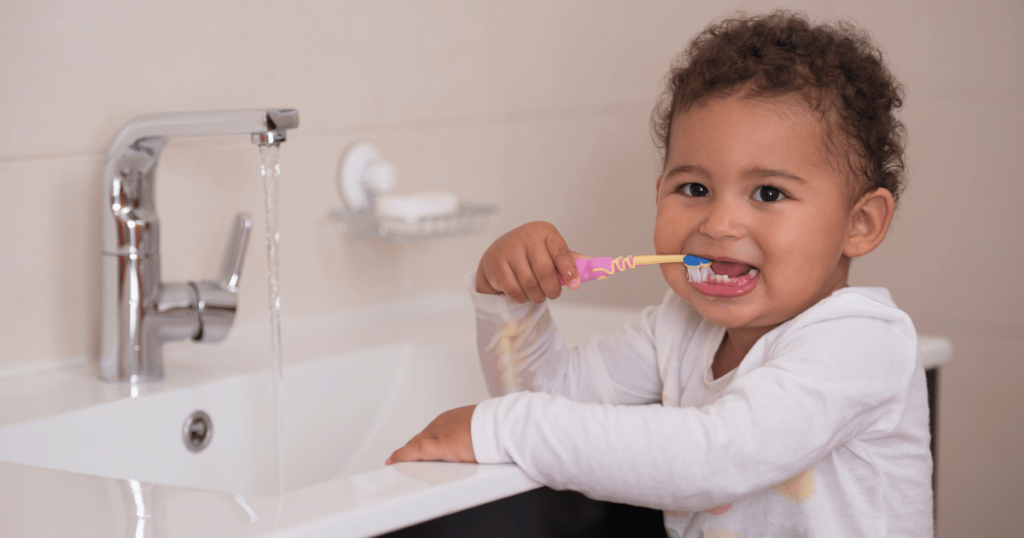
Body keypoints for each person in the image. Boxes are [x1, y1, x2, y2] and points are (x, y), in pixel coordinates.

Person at [388, 9, 933, 537]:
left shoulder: (862, 341)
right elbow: (547, 394)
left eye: (769, 193)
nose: (718, 224)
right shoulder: (679, 327)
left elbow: (716, 455)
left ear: (860, 223)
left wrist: (502, 429)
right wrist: (509, 298)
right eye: (693, 189)